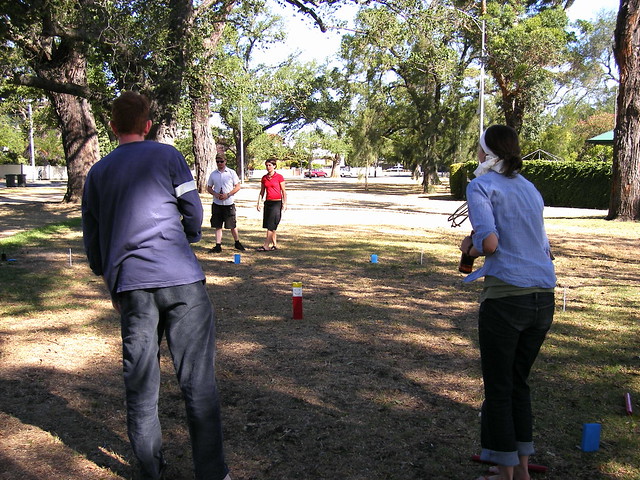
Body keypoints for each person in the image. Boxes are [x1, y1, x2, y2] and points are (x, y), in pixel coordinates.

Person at [82, 91, 231, 480]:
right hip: (183, 282)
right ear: (148, 126)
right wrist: (190, 236)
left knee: (141, 384)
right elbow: (193, 209)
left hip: (132, 289)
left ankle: (151, 470)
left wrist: (109, 280)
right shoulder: (168, 156)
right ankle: (213, 473)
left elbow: (93, 238)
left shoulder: (97, 173)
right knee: (197, 382)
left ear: (112, 126)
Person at [459, 125, 556, 480]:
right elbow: (545, 246)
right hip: (543, 298)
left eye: (478, 148)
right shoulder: (530, 187)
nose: (477, 153)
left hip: (506, 299)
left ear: (487, 151)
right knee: (519, 383)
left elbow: (490, 245)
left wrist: (469, 246)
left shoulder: (480, 185)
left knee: (499, 387)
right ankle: (522, 469)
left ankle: (505, 472)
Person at [206, 154, 245, 253]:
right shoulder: (213, 174)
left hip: (228, 203)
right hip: (217, 203)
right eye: (217, 161)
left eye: (221, 161)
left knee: (232, 224)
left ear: (225, 161)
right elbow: (209, 187)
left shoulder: (231, 173)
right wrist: (215, 194)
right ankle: (218, 245)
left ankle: (237, 242)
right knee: (218, 225)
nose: (219, 163)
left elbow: (237, 186)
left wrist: (228, 194)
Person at [256, 158, 287, 251]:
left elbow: (284, 191)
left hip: (276, 203)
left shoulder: (279, 177)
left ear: (274, 166)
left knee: (271, 225)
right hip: (268, 203)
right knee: (270, 225)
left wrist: (285, 203)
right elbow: (262, 191)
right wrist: (259, 202)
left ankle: (266, 245)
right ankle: (274, 245)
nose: (268, 167)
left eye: (270, 165)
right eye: (266, 165)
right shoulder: (264, 178)